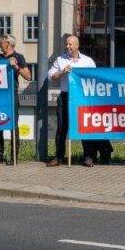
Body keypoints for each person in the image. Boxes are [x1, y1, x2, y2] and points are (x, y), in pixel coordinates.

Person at [45, 34, 98, 167]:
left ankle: (87, 156)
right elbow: (51, 76)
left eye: (70, 44)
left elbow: (95, 78)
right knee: (62, 128)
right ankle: (58, 156)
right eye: (66, 44)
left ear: (77, 45)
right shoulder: (60, 60)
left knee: (85, 127)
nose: (67, 46)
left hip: (82, 98)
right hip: (65, 97)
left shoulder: (88, 61)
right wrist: (62, 72)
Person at [0, 34, 31, 165]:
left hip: (11, 94)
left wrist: (16, 67)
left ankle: (14, 156)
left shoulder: (19, 57)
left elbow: (28, 76)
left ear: (8, 44)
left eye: (1, 42)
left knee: (13, 125)